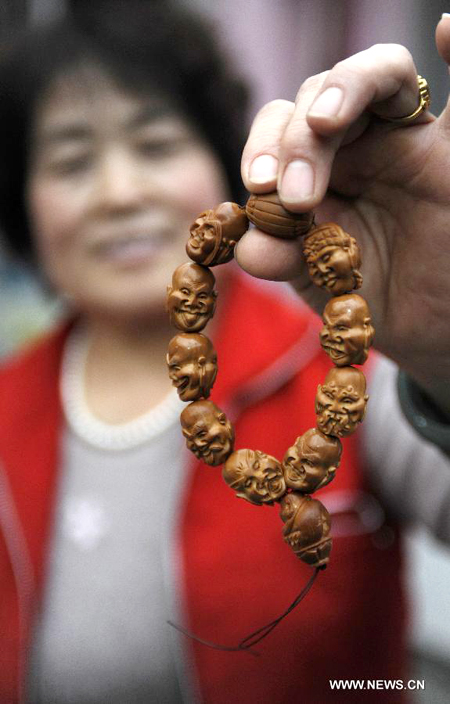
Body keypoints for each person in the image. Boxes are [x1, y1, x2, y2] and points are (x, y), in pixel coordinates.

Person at [0, 2, 450, 703]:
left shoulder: (353, 364)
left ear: (221, 163)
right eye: (72, 160)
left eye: (154, 145)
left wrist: (444, 357)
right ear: (23, 206)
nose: (120, 194)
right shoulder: (6, 407)